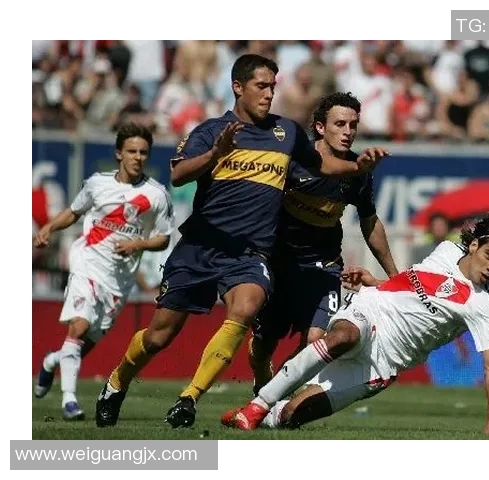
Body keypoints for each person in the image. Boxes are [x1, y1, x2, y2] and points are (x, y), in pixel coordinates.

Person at [95, 54, 387, 428]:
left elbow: (321, 166)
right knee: (158, 337)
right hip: (201, 246)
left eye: (272, 87)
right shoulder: (211, 130)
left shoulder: (287, 132)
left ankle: (189, 398)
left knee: (246, 308)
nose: (268, 94)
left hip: (251, 253)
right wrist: (215, 153)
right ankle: (116, 382)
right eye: (261, 86)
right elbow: (178, 174)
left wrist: (357, 167)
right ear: (238, 87)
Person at [222, 213, 489, 435]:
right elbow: (413, 287)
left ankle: (266, 415)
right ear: (473, 245)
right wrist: (377, 282)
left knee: (291, 415)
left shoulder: (486, 305)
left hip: (384, 361)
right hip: (372, 309)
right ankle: (258, 405)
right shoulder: (446, 250)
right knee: (344, 336)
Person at [249, 92, 399, 396]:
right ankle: (264, 384)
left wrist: (395, 276)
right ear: (320, 127)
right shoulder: (294, 161)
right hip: (279, 262)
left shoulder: (358, 172)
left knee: (315, 341)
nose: (348, 132)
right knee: (263, 347)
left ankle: (268, 401)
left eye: (353, 125)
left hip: (324, 265)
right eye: (340, 124)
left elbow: (370, 222)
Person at [33, 122, 174, 420]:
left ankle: (51, 362)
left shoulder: (157, 195)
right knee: (79, 327)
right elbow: (74, 212)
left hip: (119, 280)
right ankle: (70, 402)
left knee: (83, 345)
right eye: (132, 151)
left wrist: (137, 244)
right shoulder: (97, 184)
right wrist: (49, 227)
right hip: (87, 263)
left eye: (143, 152)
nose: (138, 157)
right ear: (119, 154)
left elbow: (163, 238)